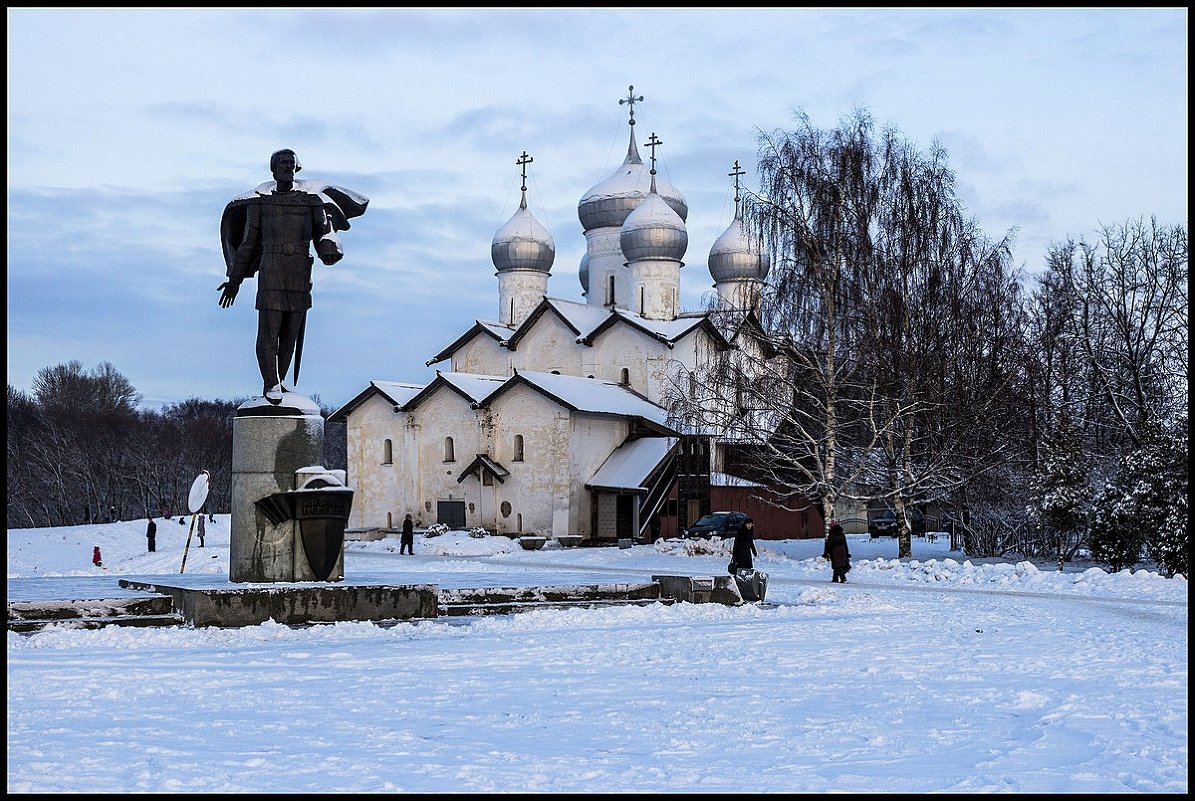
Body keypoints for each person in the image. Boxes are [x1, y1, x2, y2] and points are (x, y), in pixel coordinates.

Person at [218, 149, 368, 402]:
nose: (287, 166)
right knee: (269, 330)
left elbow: (324, 234)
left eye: (291, 163)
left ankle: (281, 379)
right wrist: (235, 280)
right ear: (274, 169)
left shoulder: (311, 201)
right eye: (282, 163)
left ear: (297, 168)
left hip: (300, 270)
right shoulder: (260, 203)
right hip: (271, 268)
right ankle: (270, 383)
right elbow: (248, 243)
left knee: (290, 332)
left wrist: (330, 246)